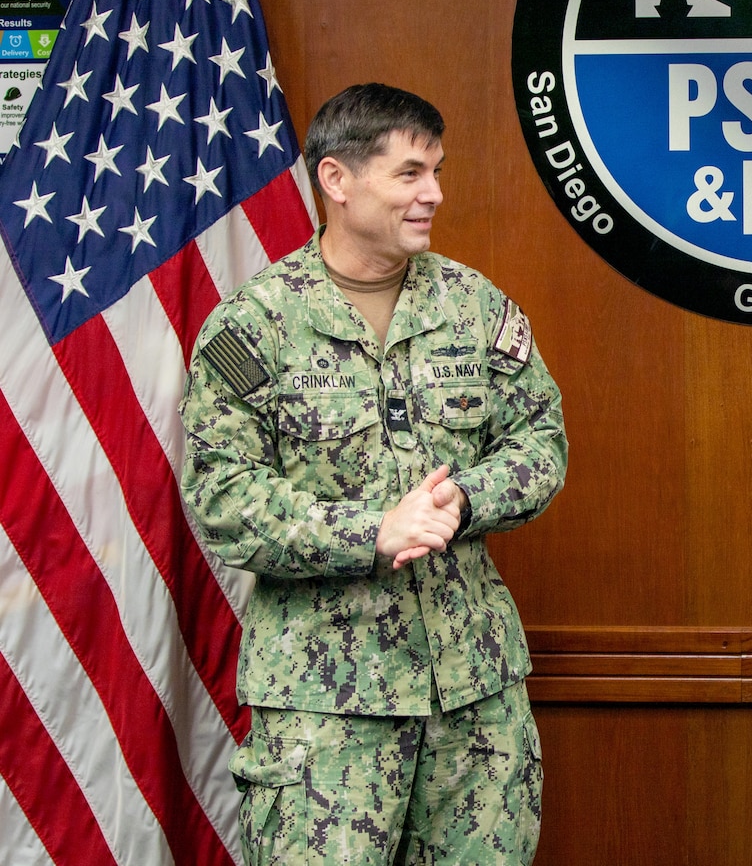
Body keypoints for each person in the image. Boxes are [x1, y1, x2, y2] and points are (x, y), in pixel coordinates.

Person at [180, 83, 567, 864]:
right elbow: (222, 496)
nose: (435, 194)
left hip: (475, 695)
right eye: (411, 174)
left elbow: (541, 438)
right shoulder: (255, 324)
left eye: (437, 172)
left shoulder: (472, 305)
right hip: (326, 705)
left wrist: (467, 497)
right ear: (337, 180)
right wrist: (370, 531)